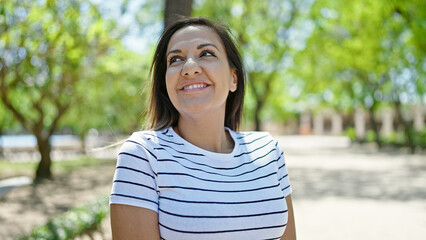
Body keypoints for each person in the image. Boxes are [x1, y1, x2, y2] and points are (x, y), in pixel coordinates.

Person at [110, 17, 296, 240]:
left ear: (233, 78)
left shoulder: (268, 149)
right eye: (176, 59)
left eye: (206, 54)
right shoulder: (143, 155)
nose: (189, 68)